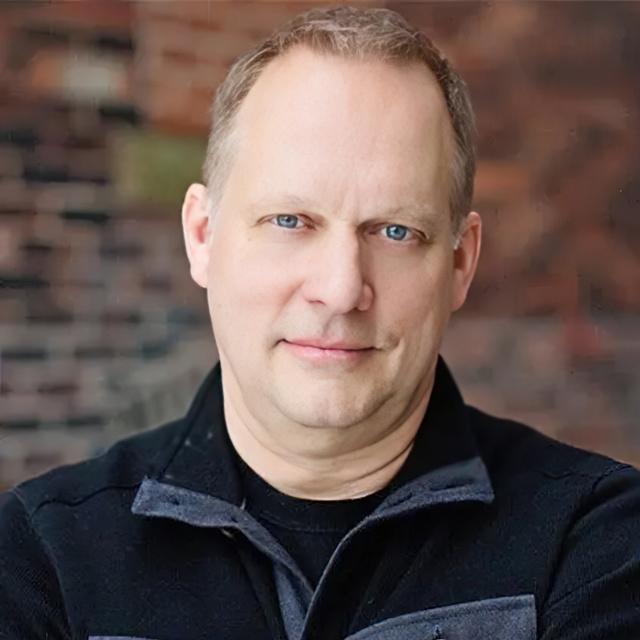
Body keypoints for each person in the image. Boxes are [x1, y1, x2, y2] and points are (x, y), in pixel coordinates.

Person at [1, 6, 638, 639]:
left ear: (461, 262)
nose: (339, 290)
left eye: (395, 231)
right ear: (203, 235)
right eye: (290, 221)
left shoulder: (596, 542)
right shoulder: (42, 559)